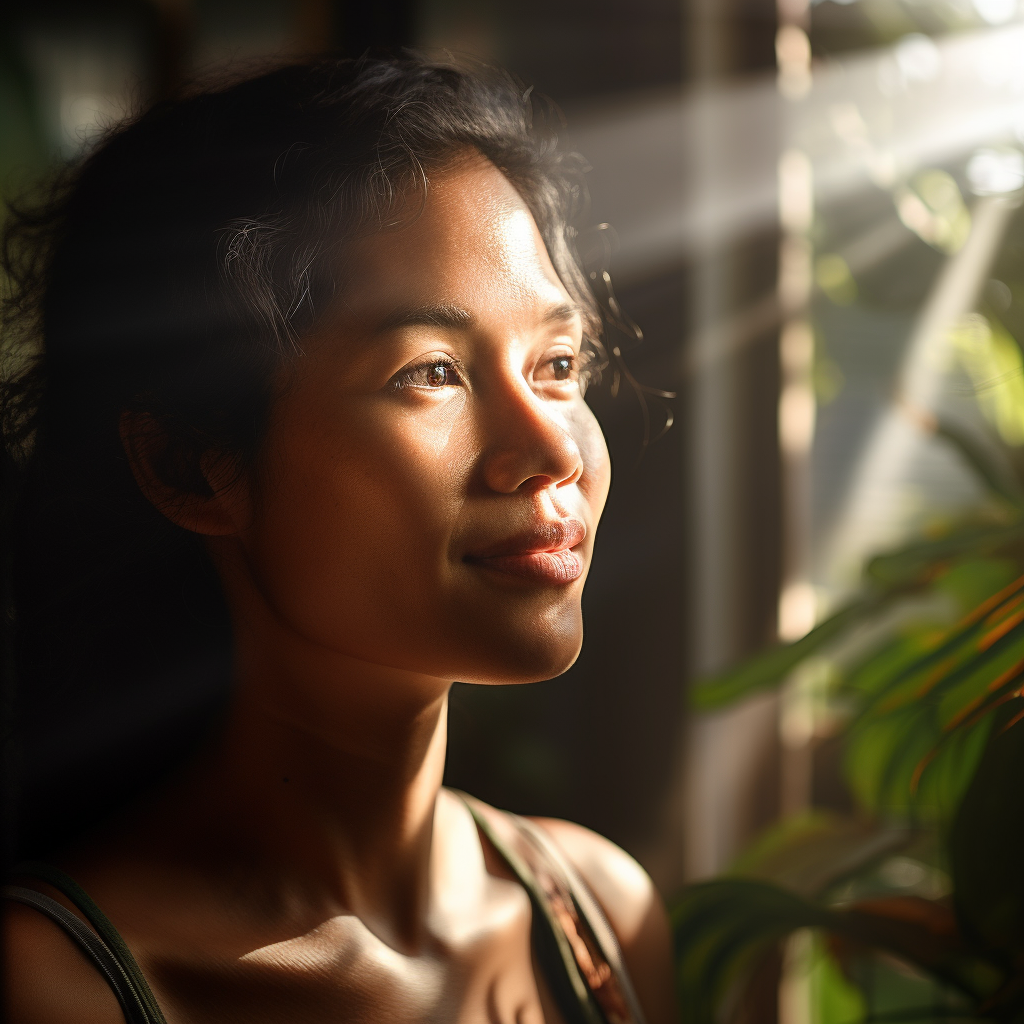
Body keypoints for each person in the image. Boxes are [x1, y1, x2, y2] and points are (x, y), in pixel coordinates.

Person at [0, 54, 677, 1023]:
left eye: (557, 362)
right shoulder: (59, 989)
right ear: (191, 465)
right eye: (430, 372)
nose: (546, 448)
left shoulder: (601, 922)